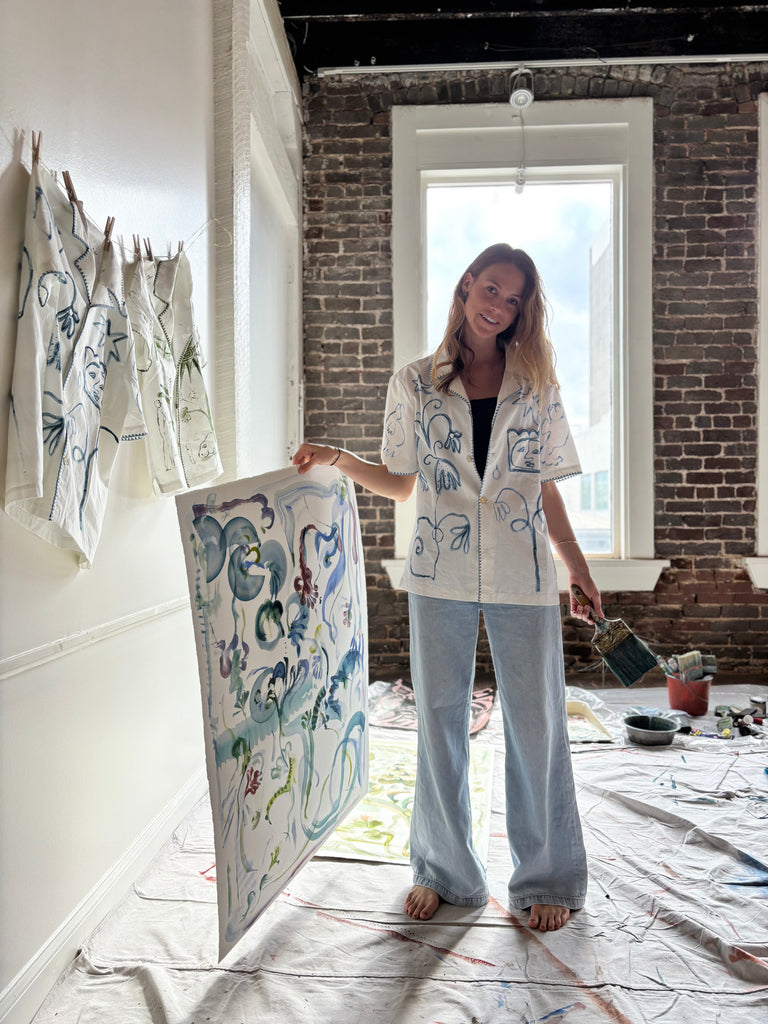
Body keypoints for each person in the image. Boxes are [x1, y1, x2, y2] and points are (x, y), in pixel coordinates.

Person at [293, 243, 602, 932]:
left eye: (513, 298)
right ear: (466, 287)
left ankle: (546, 874)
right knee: (438, 720)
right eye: (491, 288)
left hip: (523, 570)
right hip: (439, 570)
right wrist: (338, 458)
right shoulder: (414, 382)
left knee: (536, 722)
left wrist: (575, 562)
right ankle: (444, 870)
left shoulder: (537, 382)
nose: (499, 305)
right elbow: (402, 481)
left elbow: (543, 483)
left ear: (522, 309)